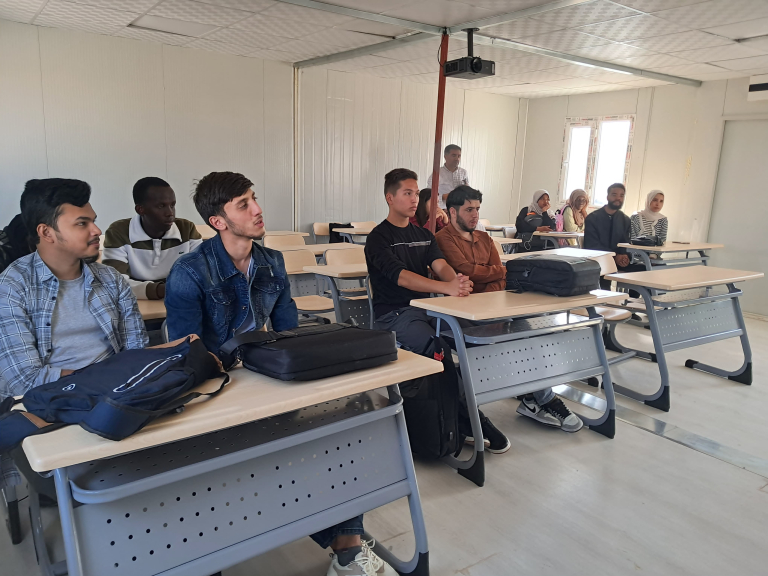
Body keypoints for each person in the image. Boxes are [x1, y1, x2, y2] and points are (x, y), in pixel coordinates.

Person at [165, 171, 394, 576]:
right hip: (217, 387)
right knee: (248, 462)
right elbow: (189, 352)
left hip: (266, 373)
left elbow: (290, 333)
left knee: (336, 433)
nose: (257, 209)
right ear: (218, 221)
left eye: (254, 198)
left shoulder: (271, 261)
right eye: (243, 204)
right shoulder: (189, 270)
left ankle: (347, 547)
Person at [0, 179, 148, 490]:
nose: (96, 230)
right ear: (46, 232)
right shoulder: (13, 286)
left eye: (93, 220)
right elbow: (24, 380)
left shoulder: (111, 280)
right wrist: (105, 383)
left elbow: (137, 356)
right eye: (82, 223)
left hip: (116, 401)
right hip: (48, 408)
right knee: (88, 487)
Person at [365, 169, 509, 453]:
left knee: (477, 335)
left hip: (428, 309)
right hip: (394, 314)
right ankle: (470, 420)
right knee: (439, 350)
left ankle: (464, 410)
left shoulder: (423, 235)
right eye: (407, 193)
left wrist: (457, 282)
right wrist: (446, 288)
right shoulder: (378, 238)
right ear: (390, 198)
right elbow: (402, 277)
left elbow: (440, 265)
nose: (414, 199)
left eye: (416, 193)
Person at [436, 186, 583, 433]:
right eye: (469, 209)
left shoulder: (484, 238)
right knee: (519, 335)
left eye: (477, 209)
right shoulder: (443, 239)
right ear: (452, 212)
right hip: (463, 313)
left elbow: (501, 274)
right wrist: (492, 276)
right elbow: (466, 271)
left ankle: (533, 397)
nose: (475, 215)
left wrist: (489, 282)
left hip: (493, 305)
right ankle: (544, 399)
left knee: (536, 324)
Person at [102, 177, 203, 300]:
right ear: (140, 209)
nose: (170, 213)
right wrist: (162, 290)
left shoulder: (187, 229)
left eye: (172, 205)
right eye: (161, 206)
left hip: (179, 302)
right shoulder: (118, 232)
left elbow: (202, 275)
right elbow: (115, 284)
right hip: (136, 304)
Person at [584, 183, 646, 281]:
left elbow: (626, 243)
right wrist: (614, 256)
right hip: (598, 261)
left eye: (621, 195)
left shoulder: (625, 220)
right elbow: (591, 245)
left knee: (644, 269)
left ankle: (632, 292)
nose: (618, 198)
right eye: (614, 195)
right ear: (607, 197)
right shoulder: (592, 218)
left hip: (618, 261)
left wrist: (625, 256)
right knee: (604, 274)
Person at [630, 190, 668, 262]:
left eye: (661, 201)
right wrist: (644, 257)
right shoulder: (635, 217)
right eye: (655, 200)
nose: (658, 204)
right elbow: (632, 240)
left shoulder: (663, 220)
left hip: (654, 258)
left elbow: (662, 241)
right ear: (648, 200)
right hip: (635, 257)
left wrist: (654, 256)